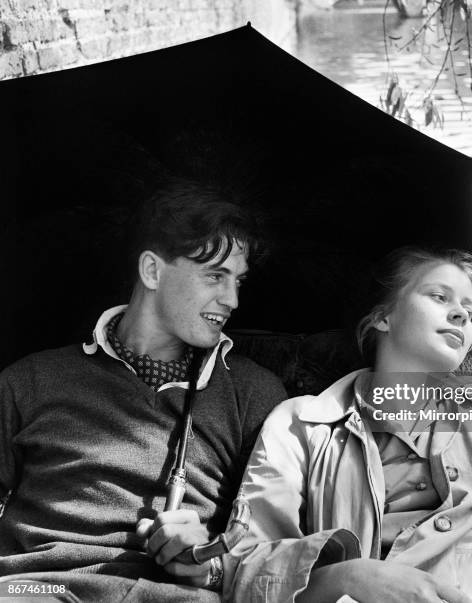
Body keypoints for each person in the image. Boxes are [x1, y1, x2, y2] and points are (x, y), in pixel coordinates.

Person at [225, 247, 472, 603]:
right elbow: (244, 568)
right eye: (439, 297)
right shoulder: (300, 423)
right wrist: (346, 577)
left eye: (468, 308)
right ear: (382, 317)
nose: (462, 314)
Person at [0, 180, 287, 602]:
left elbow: (270, 551)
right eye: (215, 275)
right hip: (36, 589)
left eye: (238, 282)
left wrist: (209, 565)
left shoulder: (254, 394)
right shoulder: (29, 381)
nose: (232, 300)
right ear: (152, 270)